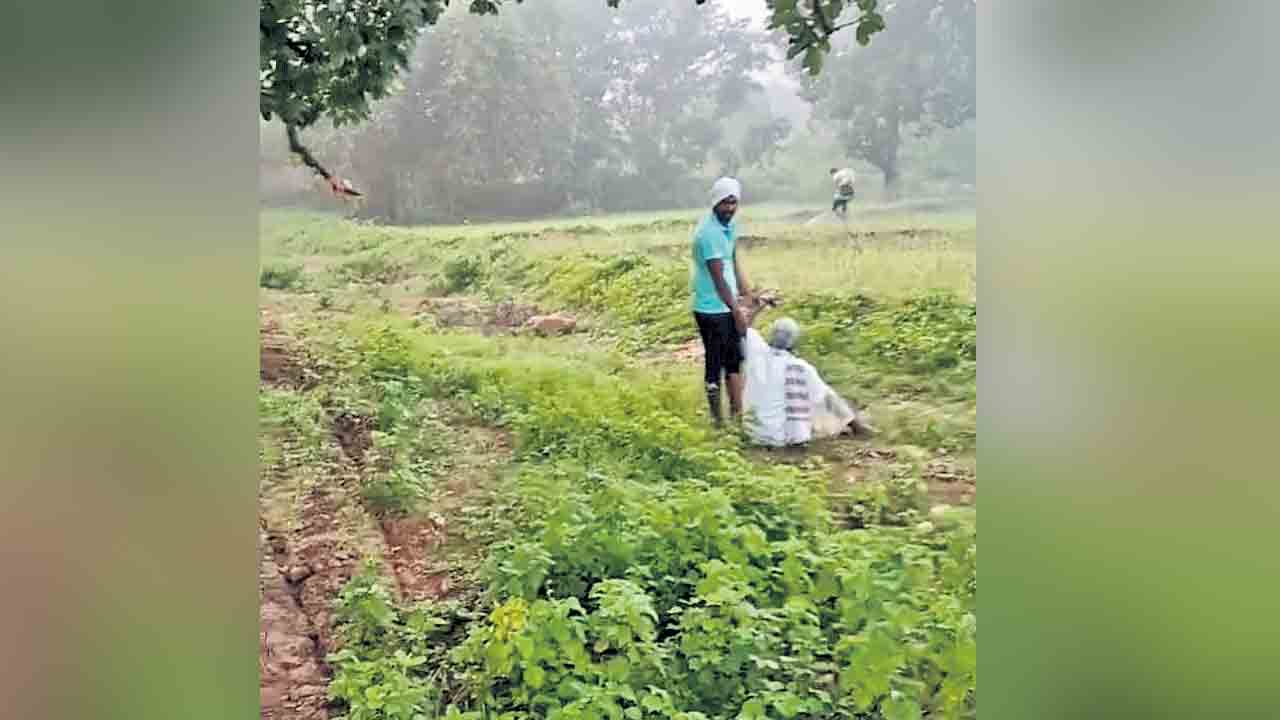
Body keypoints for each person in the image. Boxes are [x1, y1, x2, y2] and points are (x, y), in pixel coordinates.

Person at [740, 313, 874, 447]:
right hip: (780, 439)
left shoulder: (755, 353)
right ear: (794, 342)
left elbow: (743, 324)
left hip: (751, 434)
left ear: (771, 335)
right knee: (816, 397)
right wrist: (856, 425)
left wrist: (759, 307)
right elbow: (829, 399)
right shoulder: (801, 367)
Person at [690, 176, 753, 427]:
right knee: (715, 364)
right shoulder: (708, 233)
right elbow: (718, 278)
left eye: (733, 202)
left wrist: (748, 294)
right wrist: (737, 311)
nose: (730, 208)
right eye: (725, 203)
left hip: (728, 304)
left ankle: (738, 418)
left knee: (734, 361)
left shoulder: (730, 226)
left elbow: (733, 262)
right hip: (710, 309)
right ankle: (718, 422)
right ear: (715, 202)